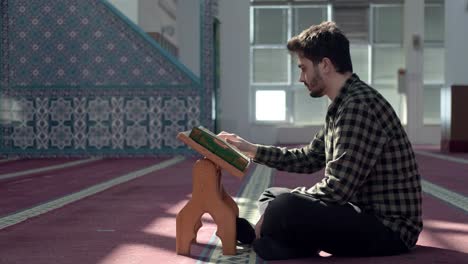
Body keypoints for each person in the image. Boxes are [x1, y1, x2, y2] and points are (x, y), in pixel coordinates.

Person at [218, 21, 422, 260]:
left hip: (387, 229)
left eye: (303, 68)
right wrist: (250, 149)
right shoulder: (341, 104)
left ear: (325, 65)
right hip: (357, 212)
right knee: (272, 196)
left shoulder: (358, 107)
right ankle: (281, 241)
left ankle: (274, 239)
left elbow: (336, 189)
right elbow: (309, 157)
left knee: (283, 207)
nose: (301, 78)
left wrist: (286, 203)